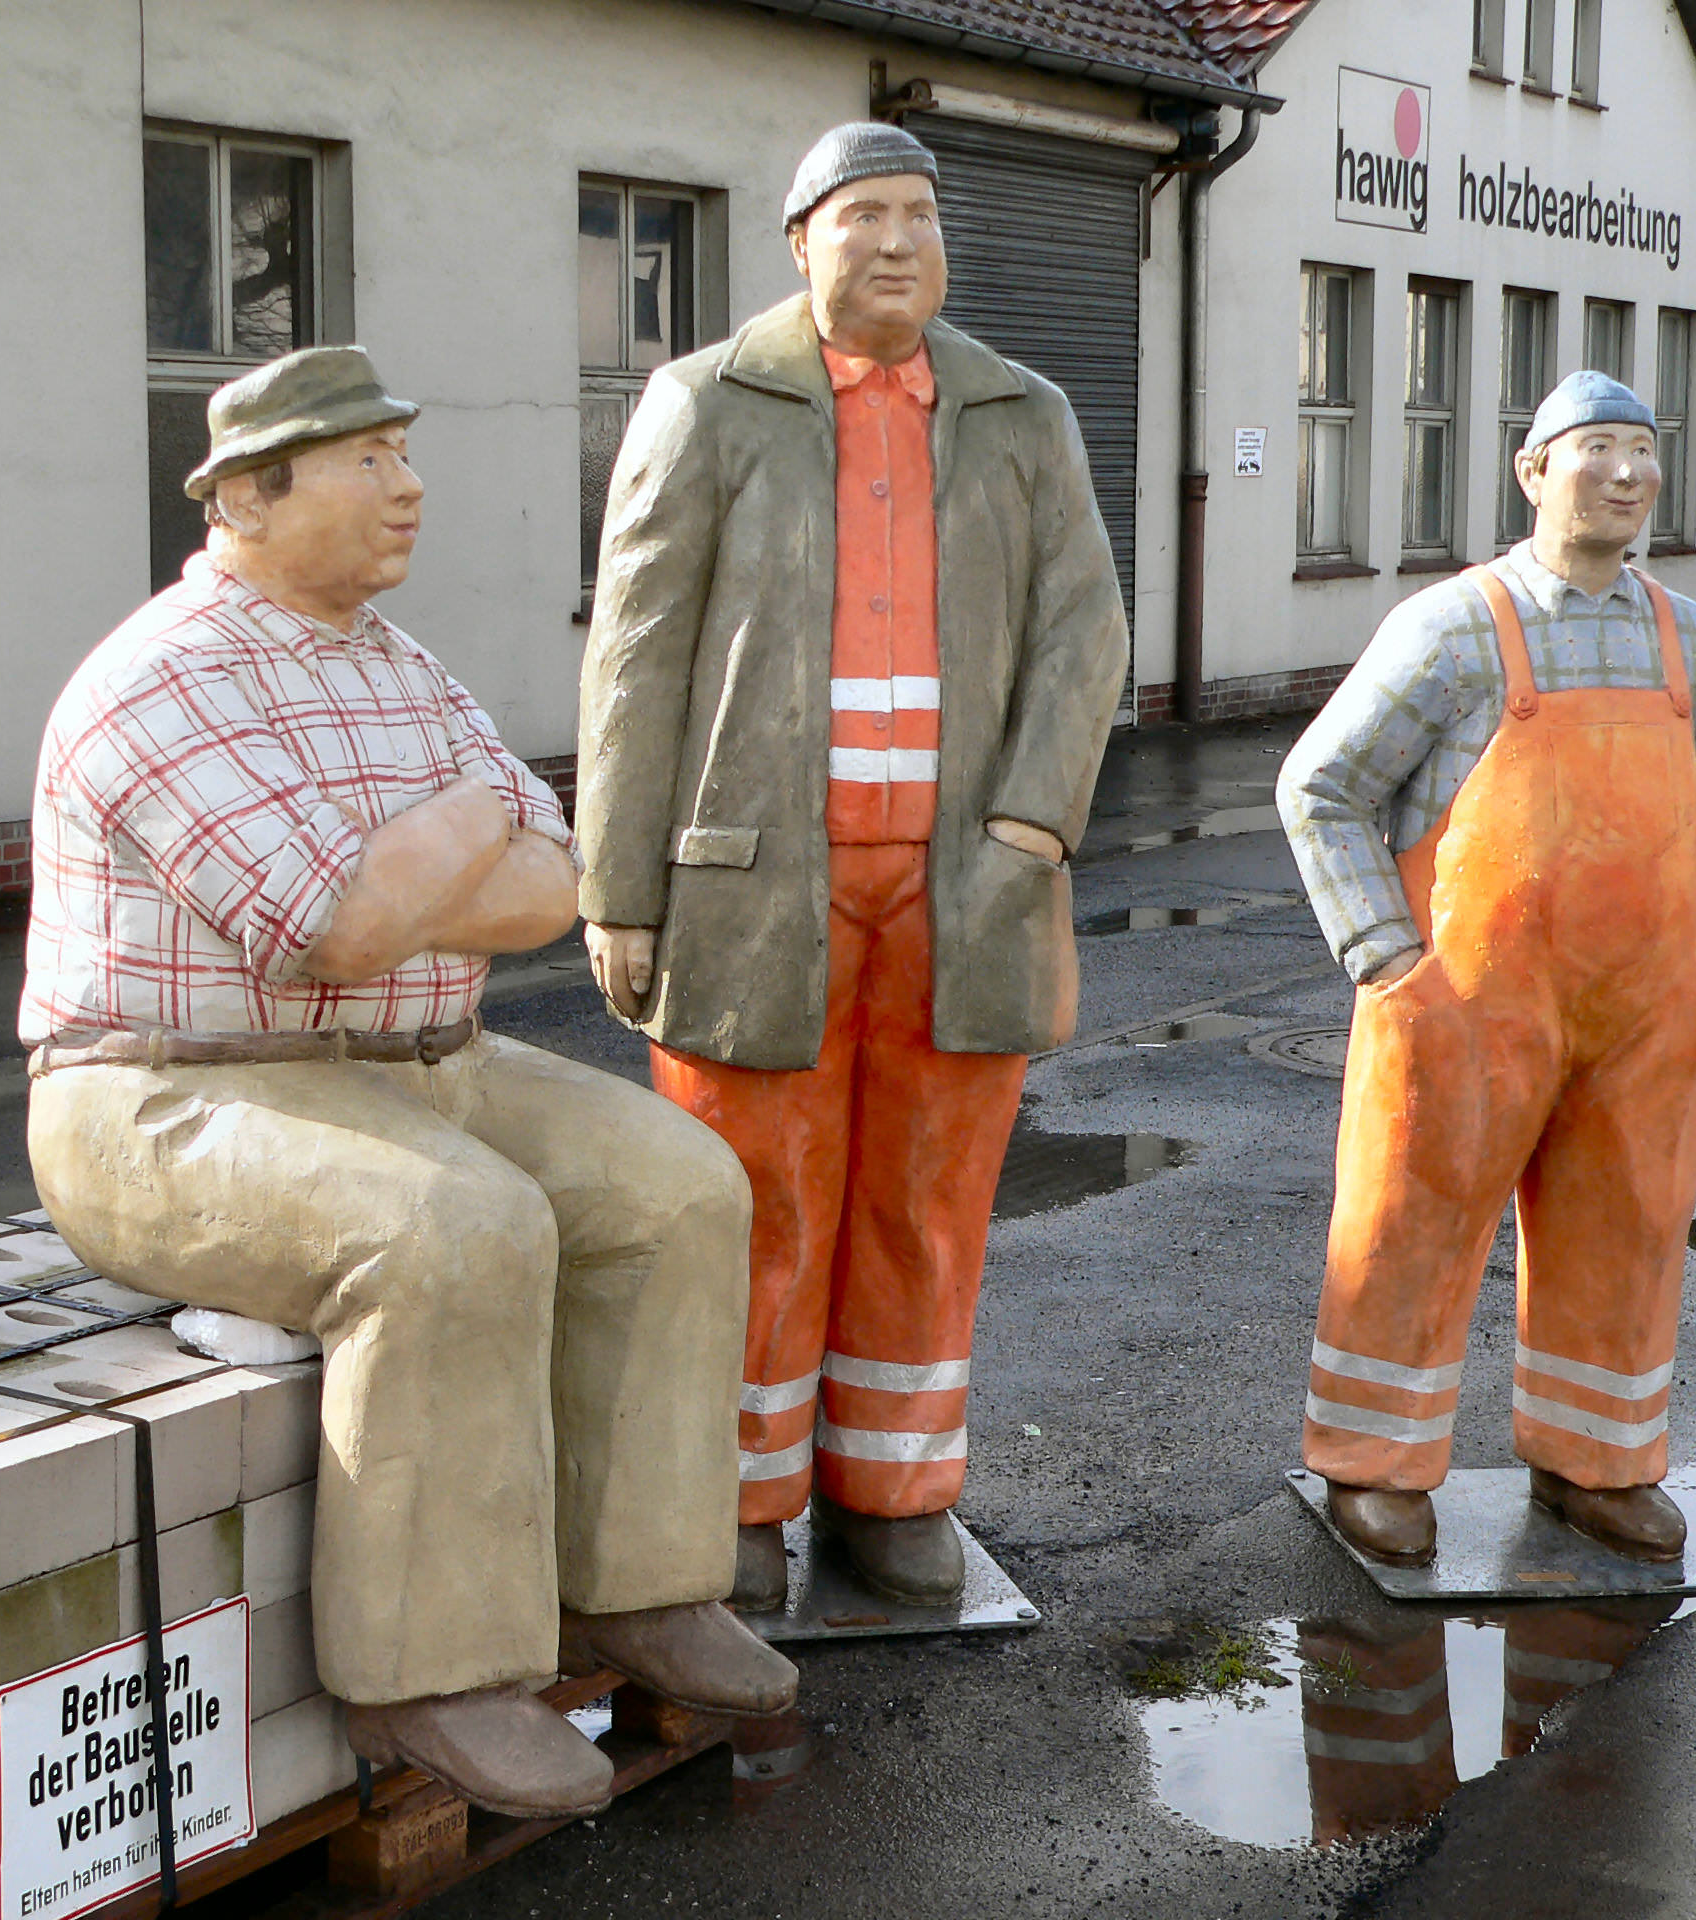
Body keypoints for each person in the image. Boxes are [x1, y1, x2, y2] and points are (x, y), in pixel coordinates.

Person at [19, 345, 794, 1820]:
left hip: (425, 1063)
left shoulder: (396, 662)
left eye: (402, 455)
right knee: (448, 1229)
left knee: (679, 1187)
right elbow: (335, 929)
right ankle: (431, 1670)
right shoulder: (163, 679)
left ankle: (641, 1583)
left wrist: (427, 858)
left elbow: (555, 881)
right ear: (250, 497)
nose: (409, 487)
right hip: (174, 1097)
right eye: (366, 461)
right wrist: (463, 830)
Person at [576, 123, 1128, 1610]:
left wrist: (1031, 825)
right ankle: (738, 1503)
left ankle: (896, 1492)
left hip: (964, 888)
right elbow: (634, 655)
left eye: (920, 215)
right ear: (801, 239)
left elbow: (1086, 629)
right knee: (750, 1202)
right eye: (865, 213)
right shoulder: (707, 404)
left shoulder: (1021, 412)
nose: (897, 241)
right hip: (751, 886)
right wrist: (617, 890)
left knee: (928, 1200)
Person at [1277, 370, 1696, 1567]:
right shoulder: (1452, 627)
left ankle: (1596, 1464)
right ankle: (1374, 1466)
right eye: (1596, 448)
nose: (1625, 474)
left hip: (1645, 1010)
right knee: (1411, 1223)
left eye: (1641, 449)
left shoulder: (1689, 640)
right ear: (1533, 471)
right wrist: (1386, 961)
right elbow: (1320, 787)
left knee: (1628, 1226)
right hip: (1464, 1002)